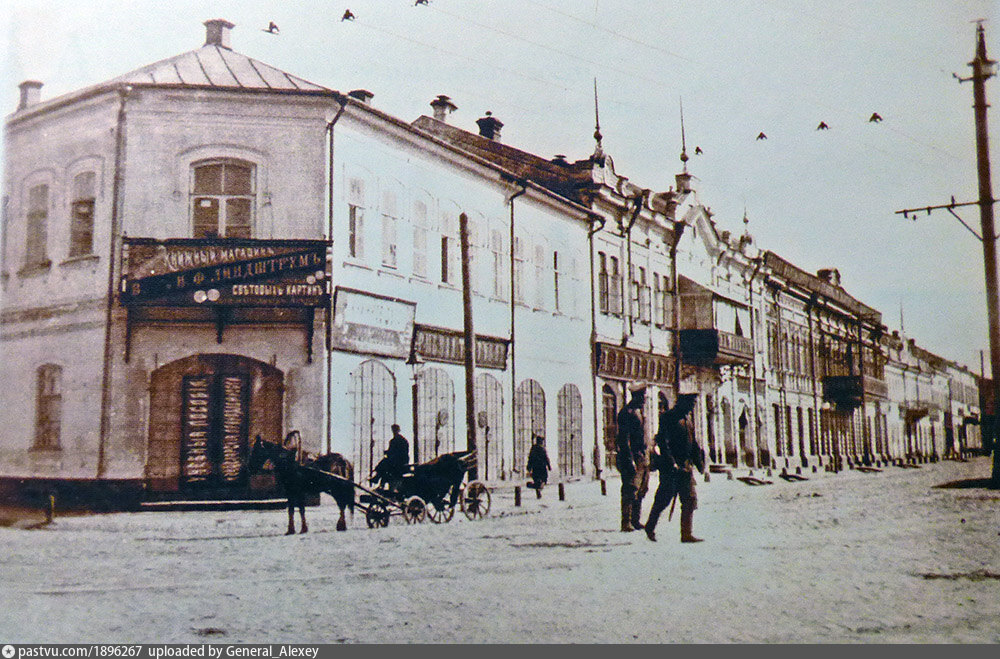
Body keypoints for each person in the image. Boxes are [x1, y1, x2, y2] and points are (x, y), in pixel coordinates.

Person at [644, 393, 705, 543]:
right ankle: (650, 526)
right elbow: (663, 442)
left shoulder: (688, 420)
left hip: (685, 466)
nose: (692, 407)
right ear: (682, 403)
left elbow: (693, 443)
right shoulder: (668, 417)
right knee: (663, 499)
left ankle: (686, 534)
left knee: (689, 499)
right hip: (670, 468)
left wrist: (699, 463)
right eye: (691, 404)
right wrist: (672, 463)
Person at [615, 381, 649, 532]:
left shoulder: (640, 412)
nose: (644, 400)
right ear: (636, 396)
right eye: (642, 396)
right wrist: (630, 460)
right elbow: (624, 439)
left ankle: (636, 520)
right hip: (632, 457)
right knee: (630, 488)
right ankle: (626, 522)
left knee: (642, 489)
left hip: (642, 456)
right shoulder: (626, 413)